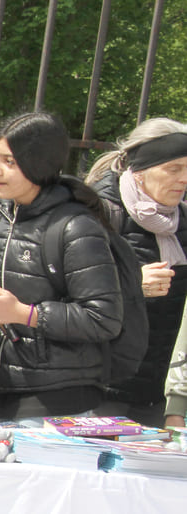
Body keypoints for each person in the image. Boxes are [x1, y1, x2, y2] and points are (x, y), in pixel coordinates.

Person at [0, 112, 122, 424]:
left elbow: (105, 319)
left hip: (56, 403)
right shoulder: (0, 220)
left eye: (10, 161)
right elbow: (9, 309)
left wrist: (25, 314)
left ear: (40, 163)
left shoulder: (76, 226)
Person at [85, 118, 187, 427]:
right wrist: (131, 285)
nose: (184, 179)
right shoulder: (95, 212)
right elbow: (57, 293)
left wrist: (176, 404)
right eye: (174, 169)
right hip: (92, 392)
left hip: (154, 396)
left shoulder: (182, 219)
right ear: (139, 171)